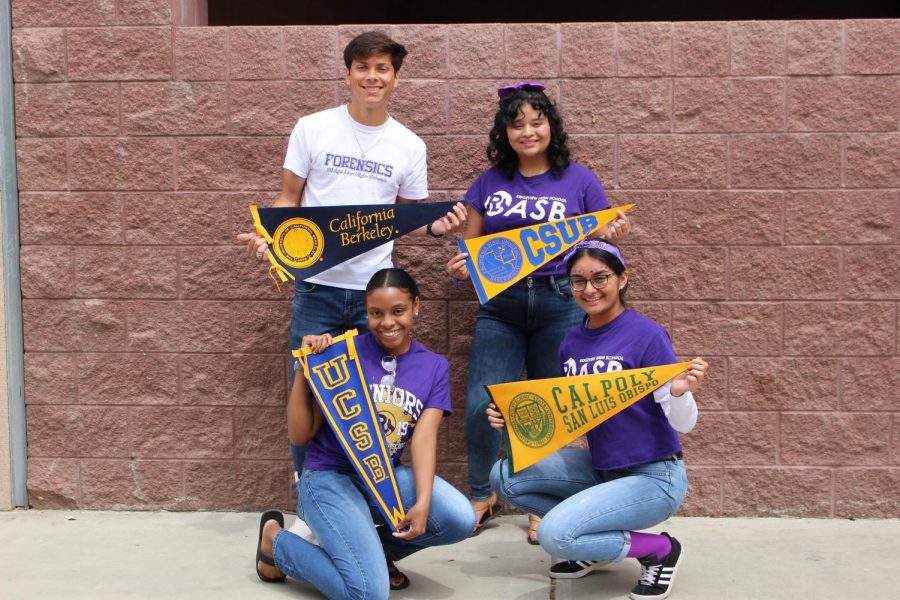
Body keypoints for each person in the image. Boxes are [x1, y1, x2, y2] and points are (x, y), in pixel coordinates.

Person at [237, 30, 465, 583]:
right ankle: (308, 524)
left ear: (396, 77)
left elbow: (412, 218)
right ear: (347, 73)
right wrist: (272, 240)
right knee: (311, 397)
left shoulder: (409, 145)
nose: (372, 77)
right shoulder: (312, 128)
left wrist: (442, 226)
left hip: (373, 299)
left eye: (383, 68)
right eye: (362, 67)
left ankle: (359, 529)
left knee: (368, 405)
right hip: (316, 287)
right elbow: (289, 201)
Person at [445, 81, 631, 541]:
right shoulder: (488, 183)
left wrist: (613, 233)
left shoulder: (580, 180)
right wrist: (460, 268)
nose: (527, 131)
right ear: (504, 133)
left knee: (553, 407)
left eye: (536, 121)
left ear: (551, 126)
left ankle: (540, 501)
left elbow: (598, 238)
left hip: (561, 302)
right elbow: (469, 249)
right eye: (516, 124)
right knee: (480, 404)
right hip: (501, 305)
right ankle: (482, 492)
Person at [486, 240, 709, 600]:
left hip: (654, 475)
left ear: (622, 279)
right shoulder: (572, 341)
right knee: (505, 475)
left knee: (554, 534)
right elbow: (567, 413)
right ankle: (590, 543)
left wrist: (680, 391)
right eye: (578, 281)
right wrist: (513, 419)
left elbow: (685, 425)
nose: (589, 289)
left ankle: (660, 550)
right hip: (602, 468)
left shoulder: (647, 334)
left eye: (600, 278)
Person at [254, 268, 476, 599]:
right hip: (329, 478)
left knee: (459, 518)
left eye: (397, 311)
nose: (387, 323)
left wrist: (424, 502)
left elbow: (424, 439)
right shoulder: (343, 352)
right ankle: (277, 543)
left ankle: (372, 554)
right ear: (367, 312)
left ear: (416, 306)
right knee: (368, 594)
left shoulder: (434, 366)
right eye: (376, 313)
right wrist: (304, 367)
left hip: (382, 478)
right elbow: (300, 435)